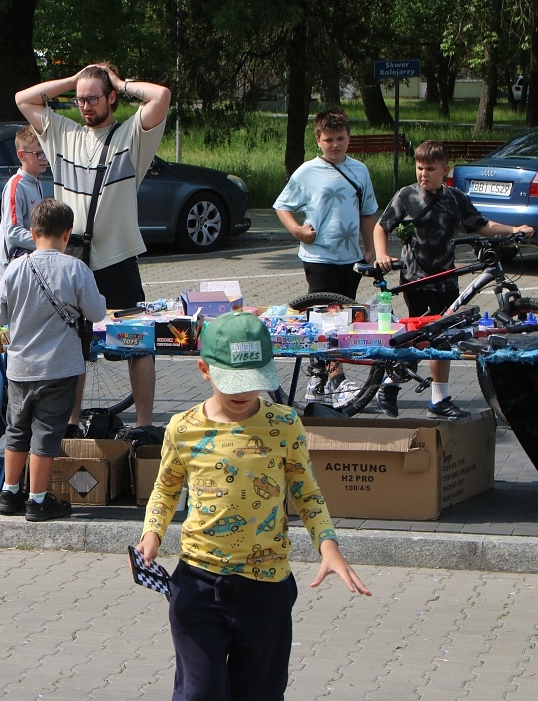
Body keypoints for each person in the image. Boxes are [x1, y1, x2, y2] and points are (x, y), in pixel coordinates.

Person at [135, 311, 371, 700]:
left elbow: (307, 493)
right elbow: (164, 489)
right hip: (197, 582)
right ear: (204, 369)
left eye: (253, 382)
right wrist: (152, 535)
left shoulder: (285, 424)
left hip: (267, 588)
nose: (244, 393)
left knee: (260, 692)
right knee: (199, 692)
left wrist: (329, 548)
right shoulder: (182, 427)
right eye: (233, 382)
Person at [15, 63, 171, 431]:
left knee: (140, 342)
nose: (84, 105)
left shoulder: (131, 136)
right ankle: (71, 423)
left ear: (112, 98)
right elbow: (23, 99)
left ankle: (145, 427)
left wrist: (119, 80)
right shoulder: (62, 133)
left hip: (117, 255)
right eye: (80, 99)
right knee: (73, 345)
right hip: (71, 261)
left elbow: (161, 96)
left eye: (93, 98)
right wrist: (76, 79)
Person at [373, 140, 535, 419]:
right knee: (422, 336)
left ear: (444, 170)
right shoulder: (406, 196)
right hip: (417, 278)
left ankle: (439, 399)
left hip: (446, 278)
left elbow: (482, 225)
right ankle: (390, 383)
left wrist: (514, 229)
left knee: (443, 338)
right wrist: (382, 254)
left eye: (430, 169)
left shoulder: (455, 198)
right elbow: (381, 226)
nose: (423, 174)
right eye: (419, 168)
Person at [0, 199, 107, 521]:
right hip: (58, 367)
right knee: (45, 433)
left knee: (17, 429)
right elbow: (96, 313)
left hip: (19, 367)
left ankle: (9, 492)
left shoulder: (14, 268)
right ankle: (38, 500)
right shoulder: (75, 269)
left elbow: (0, 315)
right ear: (67, 234)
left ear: (32, 231)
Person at [274, 108, 379, 405]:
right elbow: (283, 205)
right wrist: (297, 230)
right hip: (318, 256)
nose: (335, 144)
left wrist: (370, 247)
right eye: (329, 139)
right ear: (318, 140)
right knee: (325, 317)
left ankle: (320, 374)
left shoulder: (359, 170)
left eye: (341, 138)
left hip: (351, 256)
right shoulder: (307, 171)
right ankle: (335, 377)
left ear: (349, 138)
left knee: (344, 318)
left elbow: (368, 211)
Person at [0, 126, 48, 421]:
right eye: (38, 153)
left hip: (29, 272)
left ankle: (11, 403)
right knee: (2, 341)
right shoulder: (18, 184)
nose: (44, 158)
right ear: (22, 155)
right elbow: (12, 232)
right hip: (8, 274)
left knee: (21, 339)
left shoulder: (39, 183)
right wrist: (47, 240)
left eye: (45, 152)